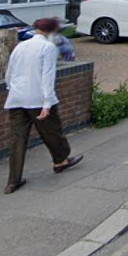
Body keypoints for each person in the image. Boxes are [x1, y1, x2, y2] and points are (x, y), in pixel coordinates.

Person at [4, 17, 83, 195]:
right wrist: (47, 104)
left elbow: (9, 73)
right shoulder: (47, 48)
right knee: (52, 131)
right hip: (38, 99)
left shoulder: (20, 46)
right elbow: (47, 77)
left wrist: (12, 90)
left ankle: (13, 181)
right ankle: (60, 161)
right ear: (51, 31)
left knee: (18, 140)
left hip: (16, 99)